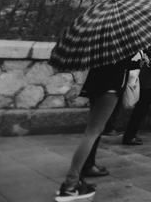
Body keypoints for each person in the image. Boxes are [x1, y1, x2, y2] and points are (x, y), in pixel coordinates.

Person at [56, 54, 143, 200]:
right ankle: (71, 185)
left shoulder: (103, 37)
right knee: (93, 132)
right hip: (111, 83)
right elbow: (124, 63)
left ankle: (76, 178)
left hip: (97, 80)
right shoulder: (121, 38)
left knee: (93, 130)